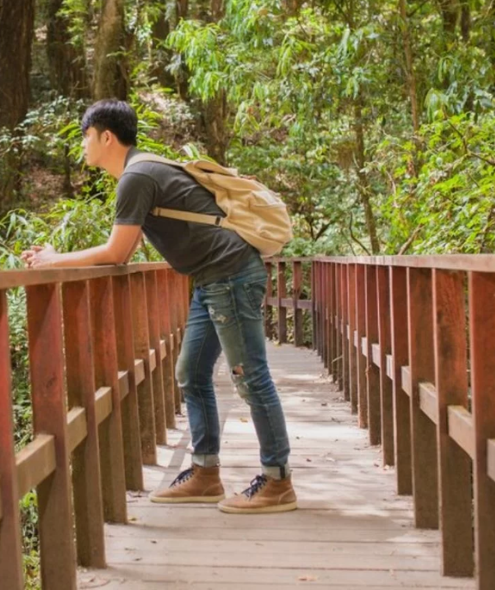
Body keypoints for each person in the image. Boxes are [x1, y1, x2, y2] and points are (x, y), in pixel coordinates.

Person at [21, 99, 296, 514]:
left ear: (105, 137)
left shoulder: (136, 176)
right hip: (212, 278)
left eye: (85, 136)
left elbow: (118, 253)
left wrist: (54, 260)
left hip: (230, 275)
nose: (83, 145)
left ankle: (277, 481)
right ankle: (205, 474)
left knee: (250, 376)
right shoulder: (143, 171)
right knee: (191, 372)